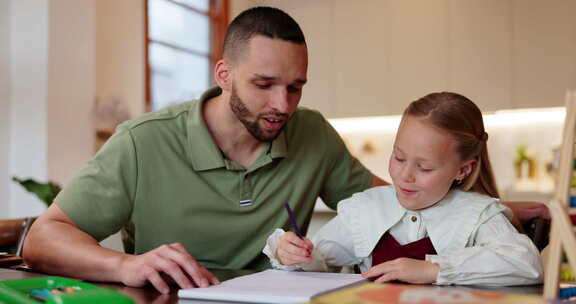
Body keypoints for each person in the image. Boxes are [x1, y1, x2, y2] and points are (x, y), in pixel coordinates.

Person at [23, 6, 545, 294]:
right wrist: (124, 265)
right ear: (223, 75)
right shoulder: (142, 141)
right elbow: (43, 239)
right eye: (265, 84)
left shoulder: (312, 132)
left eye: (295, 87)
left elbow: (395, 201)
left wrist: (488, 206)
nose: (283, 104)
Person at [264, 92, 544, 286]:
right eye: (398, 157)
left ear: (463, 169)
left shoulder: (477, 214)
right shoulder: (365, 209)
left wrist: (433, 270)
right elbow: (322, 261)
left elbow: (527, 263)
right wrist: (294, 253)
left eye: (424, 167)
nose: (404, 175)